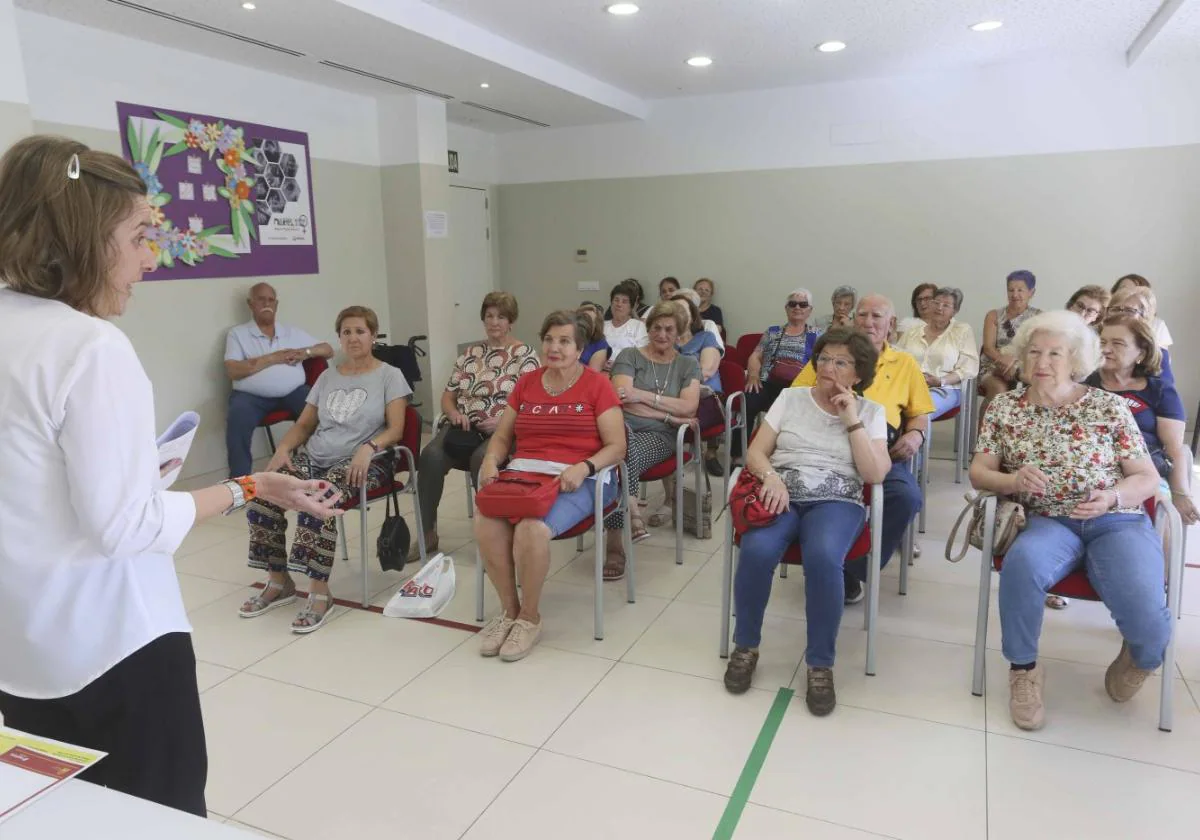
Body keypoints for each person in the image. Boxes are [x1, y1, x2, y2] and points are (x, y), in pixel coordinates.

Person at [0, 136, 343, 817]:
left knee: (63, 819)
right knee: (156, 818)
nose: (149, 260)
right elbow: (126, 528)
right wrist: (251, 486)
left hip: (21, 653)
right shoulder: (88, 348)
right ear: (82, 237)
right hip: (114, 650)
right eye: (137, 236)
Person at [969, 310, 1171, 731]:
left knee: (1148, 619)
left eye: (1055, 353)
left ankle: (1141, 657)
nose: (1042, 362)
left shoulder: (1108, 407)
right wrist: (1012, 478)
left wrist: (1112, 496)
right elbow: (979, 471)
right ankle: (1023, 670)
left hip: (1117, 519)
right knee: (1022, 567)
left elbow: (1147, 478)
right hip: (1048, 520)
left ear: (1076, 358)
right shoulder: (1004, 408)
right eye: (1034, 352)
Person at [724, 327, 890, 715]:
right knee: (757, 549)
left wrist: (851, 418)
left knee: (823, 557)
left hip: (837, 500)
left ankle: (820, 663)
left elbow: (874, 474)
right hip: (780, 492)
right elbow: (755, 453)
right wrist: (771, 477)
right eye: (825, 359)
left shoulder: (871, 412)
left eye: (841, 362)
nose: (829, 368)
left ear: (858, 372)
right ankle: (745, 646)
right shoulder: (791, 398)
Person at [240, 305, 411, 633]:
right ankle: (279, 581)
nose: (353, 338)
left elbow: (397, 429)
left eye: (360, 331)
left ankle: (320, 592)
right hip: (315, 457)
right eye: (346, 332)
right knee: (263, 493)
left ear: (373, 335)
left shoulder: (390, 375)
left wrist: (368, 447)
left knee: (319, 499)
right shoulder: (328, 376)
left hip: (364, 463)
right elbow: (304, 424)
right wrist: (283, 449)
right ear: (339, 338)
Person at [473, 311, 627, 661]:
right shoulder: (527, 383)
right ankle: (509, 611)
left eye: (564, 341)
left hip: (578, 480)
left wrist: (584, 466)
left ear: (579, 348)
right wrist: (490, 461)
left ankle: (530, 617)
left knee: (532, 528)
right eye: (549, 340)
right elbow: (501, 436)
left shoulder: (597, 385)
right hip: (525, 476)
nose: (554, 347)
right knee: (485, 521)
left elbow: (617, 447)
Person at [792, 295, 932, 604]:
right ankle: (822, 556)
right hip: (826, 442)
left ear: (891, 324)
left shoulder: (904, 362)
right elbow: (797, 396)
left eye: (877, 316)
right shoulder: (830, 357)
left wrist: (916, 435)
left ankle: (853, 568)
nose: (868, 322)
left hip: (880, 444)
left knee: (906, 497)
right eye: (862, 315)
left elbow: (920, 412)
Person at [414, 291, 539, 560]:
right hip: (464, 428)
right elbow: (448, 396)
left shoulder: (524, 355)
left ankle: (492, 534)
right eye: (490, 316)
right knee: (430, 456)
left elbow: (531, 402)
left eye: (501, 317)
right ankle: (427, 532)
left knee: (482, 460)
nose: (494, 322)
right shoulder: (470, 354)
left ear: (511, 321)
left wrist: (505, 420)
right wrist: (454, 413)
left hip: (503, 430)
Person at [609, 302, 701, 551]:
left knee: (622, 455)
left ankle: (616, 541)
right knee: (623, 442)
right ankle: (631, 512)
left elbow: (689, 407)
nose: (662, 334)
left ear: (679, 333)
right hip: (625, 427)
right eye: (657, 328)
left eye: (669, 329)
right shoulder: (630, 355)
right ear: (648, 329)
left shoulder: (687, 364)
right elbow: (621, 400)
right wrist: (668, 415)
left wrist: (641, 395)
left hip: (661, 436)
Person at [1086, 316, 1197, 524]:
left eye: (1117, 343)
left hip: (1147, 470)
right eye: (1102, 342)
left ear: (1141, 353)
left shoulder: (1159, 390)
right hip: (1094, 471)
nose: (1106, 349)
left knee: (1161, 516)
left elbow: (1173, 448)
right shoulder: (1083, 386)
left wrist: (1181, 493)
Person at [224, 282, 334, 479]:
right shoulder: (238, 334)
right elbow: (233, 370)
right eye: (260, 299)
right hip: (250, 397)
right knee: (237, 418)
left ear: (276, 304)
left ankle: (320, 467)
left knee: (321, 411)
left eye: (271, 299)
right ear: (251, 304)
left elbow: (328, 350)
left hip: (293, 392)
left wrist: (305, 352)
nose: (266, 303)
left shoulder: (290, 332)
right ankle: (239, 483)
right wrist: (273, 358)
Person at [738, 289, 820, 455]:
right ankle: (738, 455)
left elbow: (822, 362)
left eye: (803, 304)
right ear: (786, 308)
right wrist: (753, 375)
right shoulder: (773, 332)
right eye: (793, 304)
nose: (797, 307)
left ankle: (781, 455)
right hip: (768, 382)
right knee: (747, 401)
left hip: (797, 388)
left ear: (810, 310)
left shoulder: (817, 334)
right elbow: (755, 355)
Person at [895, 286, 979, 418]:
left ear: (955, 311)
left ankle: (914, 438)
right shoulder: (913, 332)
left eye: (946, 305)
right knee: (887, 405)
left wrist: (941, 381)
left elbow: (968, 368)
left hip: (944, 389)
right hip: (910, 386)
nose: (939, 308)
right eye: (936, 303)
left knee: (919, 409)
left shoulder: (962, 331)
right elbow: (897, 357)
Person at [979, 269, 1042, 411]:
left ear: (1031, 292)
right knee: (999, 390)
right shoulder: (993, 315)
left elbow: (1037, 348)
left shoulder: (1039, 317)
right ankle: (984, 431)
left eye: (1020, 290)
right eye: (1011, 290)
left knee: (1037, 389)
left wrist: (1014, 363)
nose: (1015, 295)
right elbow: (988, 348)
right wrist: (1003, 361)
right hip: (993, 366)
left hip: (1024, 366)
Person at [1107, 287, 1175, 384]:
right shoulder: (1096, 342)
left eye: (1129, 310)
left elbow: (1164, 391)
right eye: (1116, 309)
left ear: (1145, 317)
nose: (1120, 315)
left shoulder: (1157, 353)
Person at [1112, 274, 1172, 347]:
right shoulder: (1105, 322)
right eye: (1123, 289)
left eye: (1134, 290)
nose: (1128, 294)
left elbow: (1161, 356)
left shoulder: (1157, 325)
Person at [604, 280, 649, 354]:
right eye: (616, 300)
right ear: (611, 303)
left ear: (631, 307)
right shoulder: (602, 326)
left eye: (624, 302)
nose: (619, 304)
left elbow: (642, 354)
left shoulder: (638, 326)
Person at [577, 303, 612, 371]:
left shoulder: (600, 345)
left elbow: (592, 375)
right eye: (582, 318)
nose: (584, 323)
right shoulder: (570, 339)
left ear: (596, 325)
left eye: (589, 320)